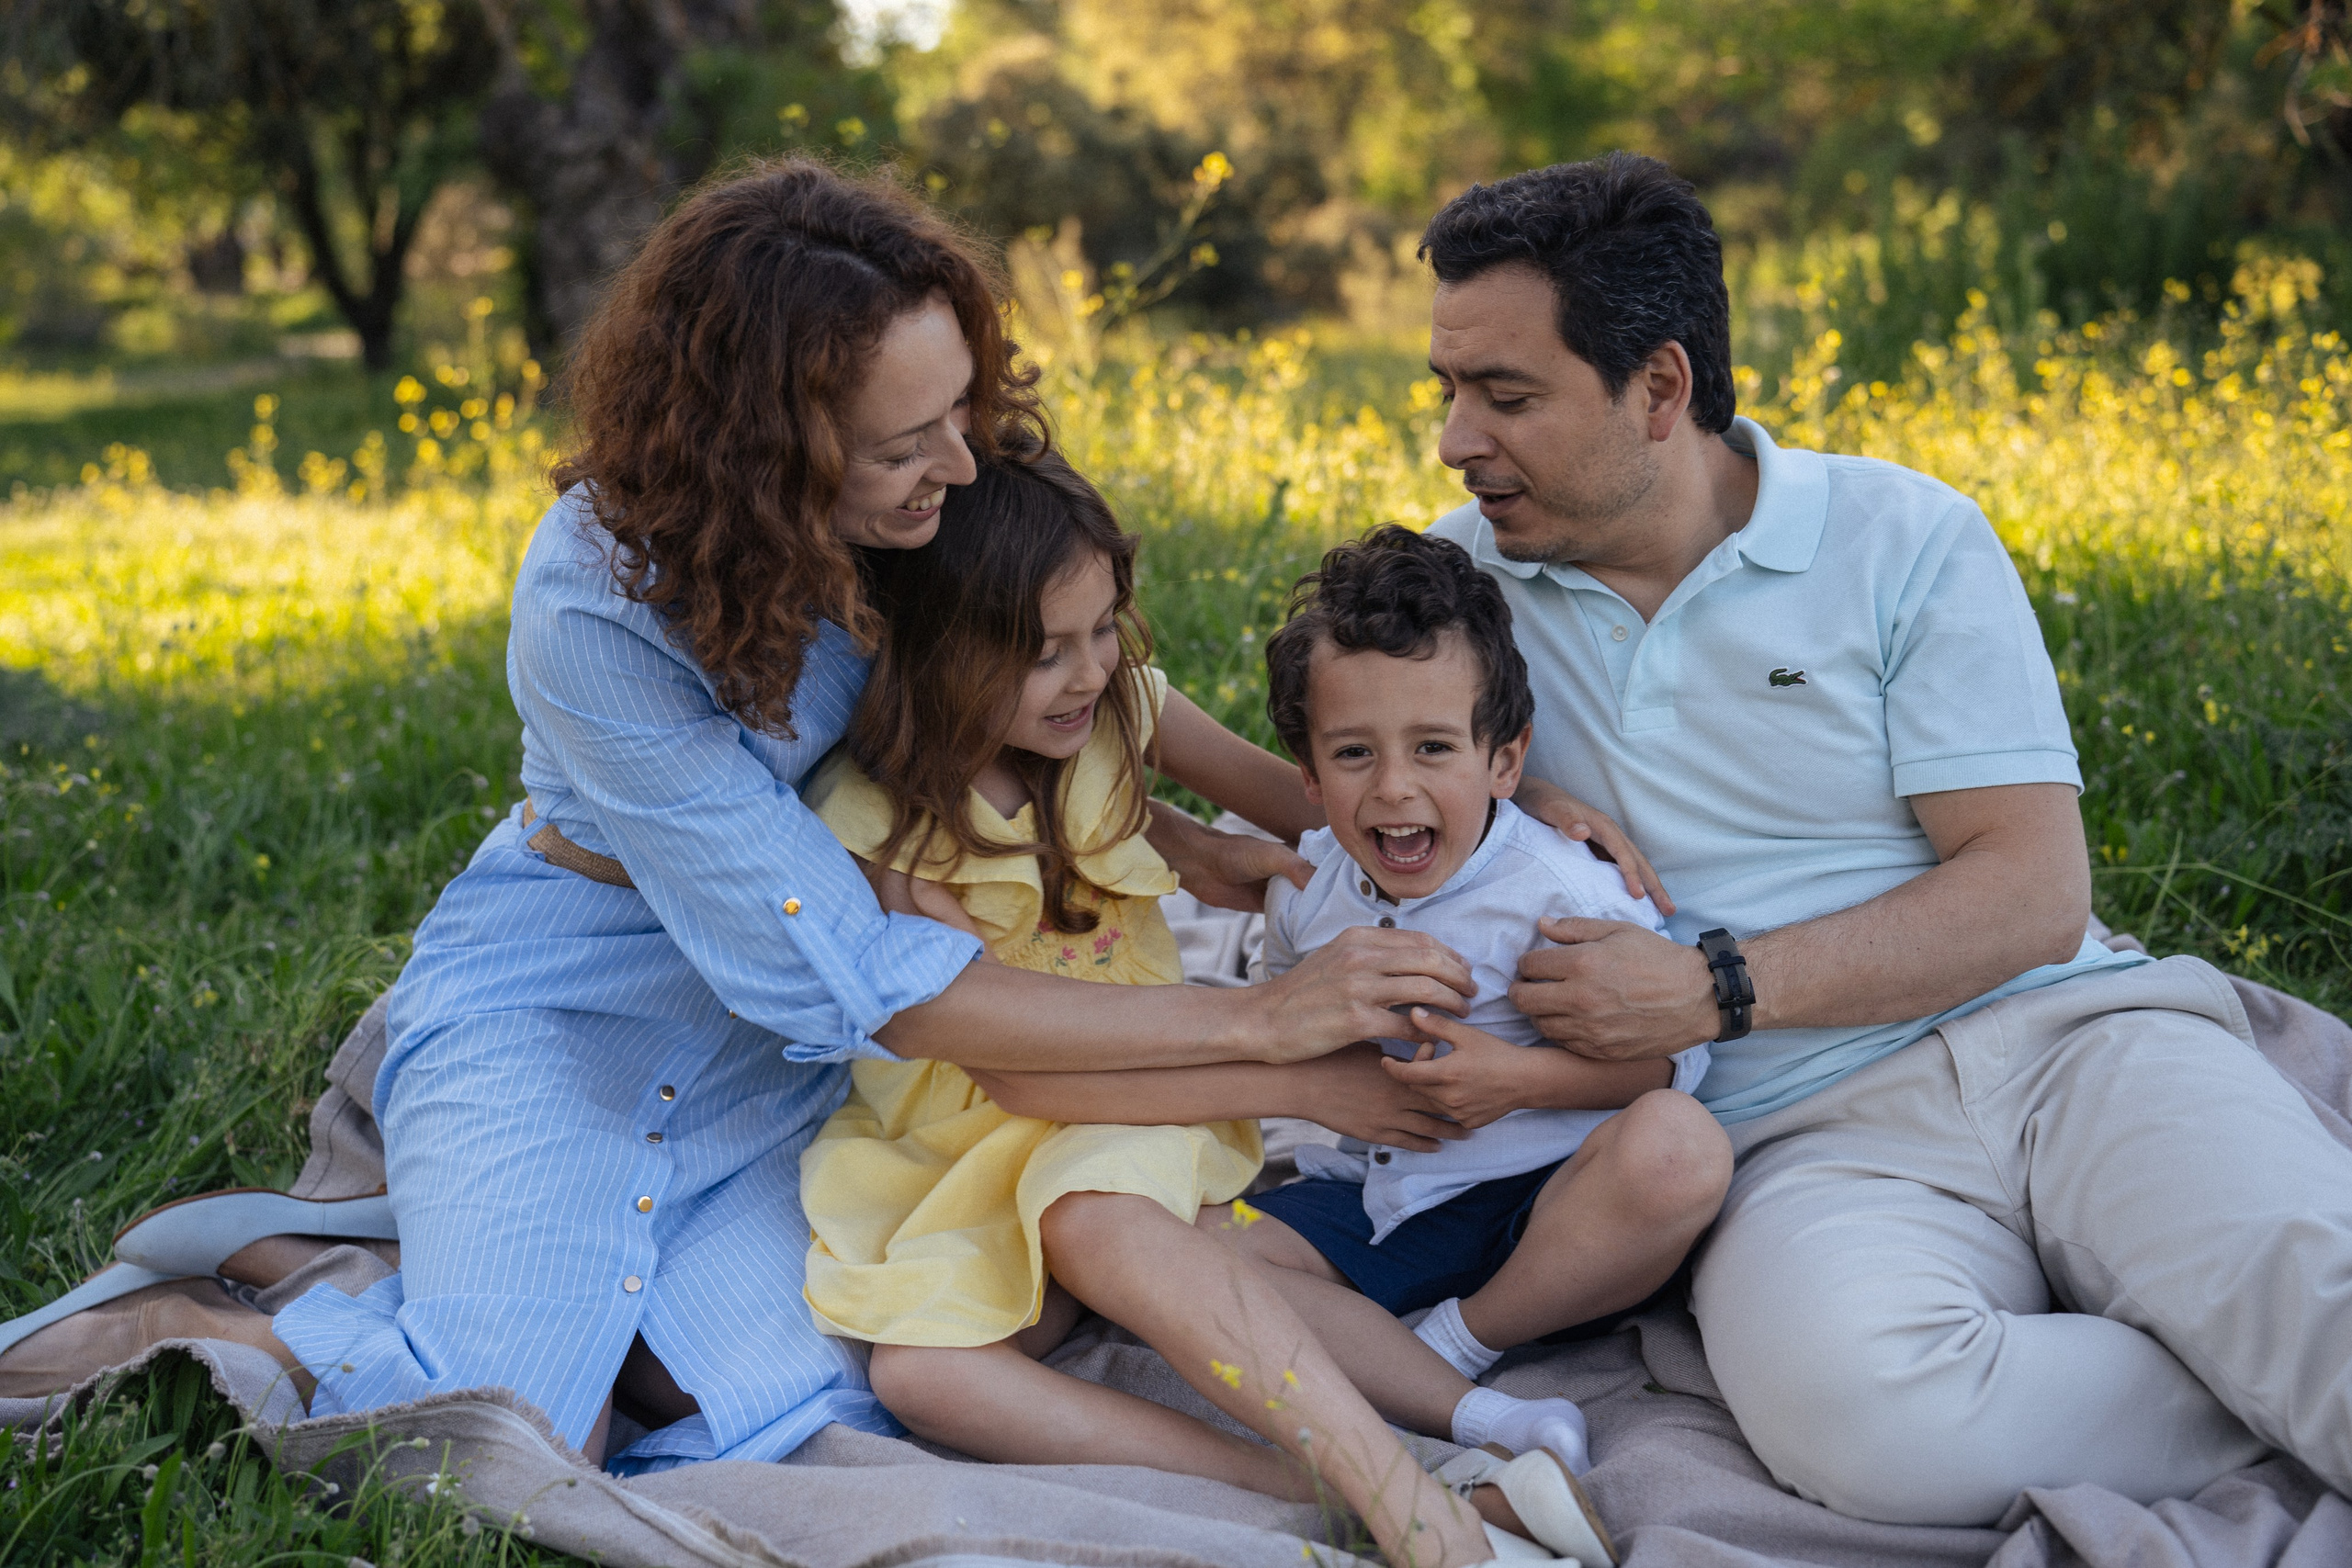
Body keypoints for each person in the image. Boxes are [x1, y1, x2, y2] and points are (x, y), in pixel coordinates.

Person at [0, 159, 1550, 1472]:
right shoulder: (594, 604)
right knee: (511, 1422)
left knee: (793, 1394)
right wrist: (1273, 1028)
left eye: (966, 410)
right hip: (593, 982)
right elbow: (864, 975)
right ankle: (223, 1297)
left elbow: (1103, 672)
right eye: (903, 442)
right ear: (767, 448)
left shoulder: (930, 478)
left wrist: (1461, 819)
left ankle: (400, 1255)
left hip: (799, 1027)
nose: (962, 461)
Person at [1410, 151, 2352, 1527]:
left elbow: (2032, 890)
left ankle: (2264, 1336)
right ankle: (2249, 1366)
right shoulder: (1457, 592)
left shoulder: (1903, 534)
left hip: (2072, 1042)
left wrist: (1712, 984)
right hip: (1800, 1138)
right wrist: (1513, 797)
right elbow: (1336, 776)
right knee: (1867, 1424)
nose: (1455, 437)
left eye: (1506, 395)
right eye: (1445, 390)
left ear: (1659, 388)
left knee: (2311, 1283)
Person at [796, 449, 1610, 1568]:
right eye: (1046, 654)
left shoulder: (1117, 701)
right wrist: (1306, 1082)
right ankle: (1362, 1487)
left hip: (1130, 1121)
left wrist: (1505, 804)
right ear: (938, 654)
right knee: (921, 1376)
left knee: (1095, 1219)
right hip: (977, 1132)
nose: (1090, 673)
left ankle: (1410, 1512)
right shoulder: (886, 826)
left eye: (1103, 630)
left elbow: (1313, 801)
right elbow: (1017, 1075)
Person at [1204, 525, 1729, 1483]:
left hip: (1546, 1207)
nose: (1394, 788)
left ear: (1504, 761)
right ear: (1311, 777)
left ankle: (1458, 1341)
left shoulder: (1558, 893)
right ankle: (1477, 1412)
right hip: (1375, 1194)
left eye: (1434, 747)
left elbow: (1671, 1061)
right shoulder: (1308, 888)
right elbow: (1279, 1015)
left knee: (1679, 1150)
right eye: (1354, 753)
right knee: (1197, 1255)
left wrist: (1518, 1079)